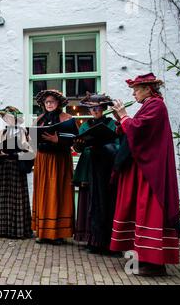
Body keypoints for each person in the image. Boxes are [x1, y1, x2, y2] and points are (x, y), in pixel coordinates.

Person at [110, 73, 180, 276]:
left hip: (150, 171)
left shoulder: (156, 106)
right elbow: (134, 132)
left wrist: (124, 117)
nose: (134, 93)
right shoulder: (149, 106)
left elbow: (139, 131)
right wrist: (121, 120)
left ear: (148, 89)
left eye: (137, 89)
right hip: (142, 169)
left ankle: (155, 262)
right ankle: (143, 258)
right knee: (140, 210)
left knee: (149, 210)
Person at [73, 93, 119, 254]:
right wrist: (79, 145)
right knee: (92, 204)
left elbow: (118, 145)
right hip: (90, 167)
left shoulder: (112, 124)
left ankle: (109, 243)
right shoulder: (86, 125)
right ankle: (93, 241)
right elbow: (79, 147)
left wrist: (105, 146)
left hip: (107, 168)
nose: (94, 111)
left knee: (107, 203)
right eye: (91, 108)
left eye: (97, 108)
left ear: (103, 108)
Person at [31, 90, 76, 245]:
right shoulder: (39, 120)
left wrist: (58, 140)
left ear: (58, 103)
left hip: (59, 160)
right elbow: (32, 141)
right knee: (43, 193)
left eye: (52, 102)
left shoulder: (67, 119)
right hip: (43, 160)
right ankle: (43, 232)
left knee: (57, 193)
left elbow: (74, 141)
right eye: (47, 102)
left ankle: (58, 233)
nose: (49, 104)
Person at [0, 106, 33, 239]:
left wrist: (14, 154)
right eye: (5, 117)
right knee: (2, 198)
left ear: (15, 118)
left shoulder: (23, 132)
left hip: (16, 168)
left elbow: (30, 153)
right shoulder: (1, 133)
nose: (7, 119)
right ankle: (2, 229)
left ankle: (17, 230)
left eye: (9, 117)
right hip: (2, 169)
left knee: (16, 199)